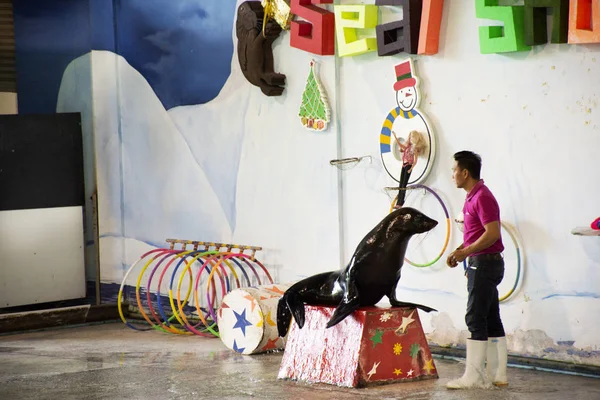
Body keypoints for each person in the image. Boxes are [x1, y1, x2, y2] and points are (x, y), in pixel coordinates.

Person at [445, 150, 508, 390]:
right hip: (480, 262)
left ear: (465, 172)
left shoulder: (482, 197)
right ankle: (498, 374)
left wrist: (466, 254)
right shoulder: (471, 197)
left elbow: (492, 233)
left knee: (474, 317)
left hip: (484, 263)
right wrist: (460, 251)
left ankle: (472, 376)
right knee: (491, 317)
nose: (452, 175)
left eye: (454, 170)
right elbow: (477, 233)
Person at [392, 130, 427, 209]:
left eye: (412, 136)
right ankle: (399, 202)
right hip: (404, 165)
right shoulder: (407, 147)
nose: (410, 138)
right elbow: (401, 145)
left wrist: (411, 168)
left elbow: (415, 161)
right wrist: (395, 137)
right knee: (401, 184)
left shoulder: (414, 149)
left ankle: (401, 202)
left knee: (404, 184)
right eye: (410, 136)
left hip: (408, 166)